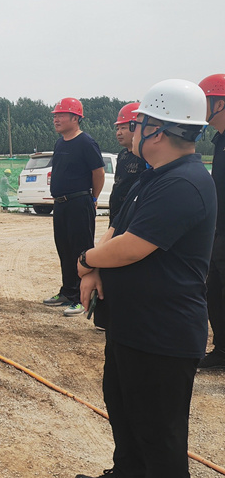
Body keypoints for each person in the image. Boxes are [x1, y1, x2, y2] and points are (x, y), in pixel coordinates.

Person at [74, 79, 214, 478]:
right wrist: (96, 267)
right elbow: (119, 228)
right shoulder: (156, 177)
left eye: (138, 124)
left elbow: (134, 246)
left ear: (156, 129)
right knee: (123, 405)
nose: (132, 131)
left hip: (163, 331)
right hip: (134, 323)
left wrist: (84, 260)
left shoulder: (185, 183)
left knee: (160, 430)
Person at [42, 97, 105, 317]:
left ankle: (81, 298)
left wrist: (93, 198)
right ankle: (67, 291)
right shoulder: (60, 143)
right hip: (60, 204)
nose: (56, 119)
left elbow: (98, 173)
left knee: (81, 250)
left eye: (61, 115)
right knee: (64, 248)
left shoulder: (86, 142)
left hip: (79, 202)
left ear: (75, 118)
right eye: (55, 116)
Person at [93, 103, 146, 332]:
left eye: (124, 127)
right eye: (117, 128)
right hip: (117, 219)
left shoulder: (146, 159)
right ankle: (105, 318)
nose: (119, 132)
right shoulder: (123, 156)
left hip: (134, 224)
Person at [199, 73, 225, 370]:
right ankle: (222, 350)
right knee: (214, 291)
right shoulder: (219, 140)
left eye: (203, 101)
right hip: (219, 231)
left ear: (219, 103)